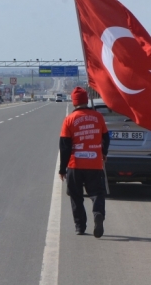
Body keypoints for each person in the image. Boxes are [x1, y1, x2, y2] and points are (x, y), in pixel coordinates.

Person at [59, 87, 110, 237]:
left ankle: (80, 226)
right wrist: (104, 153)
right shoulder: (98, 117)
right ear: (86, 100)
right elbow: (106, 137)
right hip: (94, 163)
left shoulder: (69, 120)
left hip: (75, 165)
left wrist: (62, 169)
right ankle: (98, 213)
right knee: (97, 193)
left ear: (74, 103)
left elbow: (65, 146)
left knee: (76, 196)